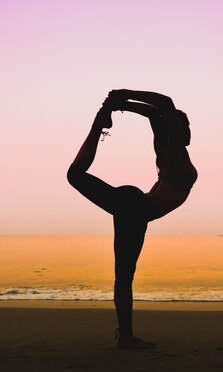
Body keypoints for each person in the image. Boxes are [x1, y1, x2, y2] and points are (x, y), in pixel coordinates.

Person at [67, 90, 197, 349]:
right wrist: (122, 96)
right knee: (124, 277)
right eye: (184, 125)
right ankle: (125, 337)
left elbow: (153, 112)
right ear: (175, 129)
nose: (189, 131)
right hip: (137, 208)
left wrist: (119, 105)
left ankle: (98, 125)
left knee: (74, 174)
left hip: (132, 205)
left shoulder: (168, 153)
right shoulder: (174, 150)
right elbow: (164, 105)